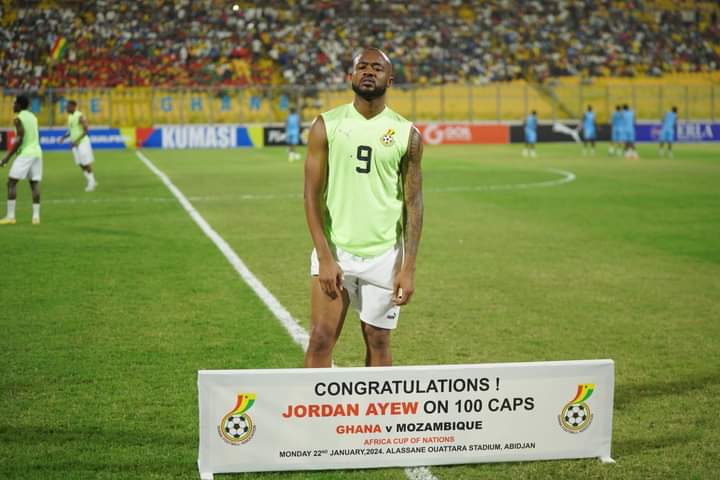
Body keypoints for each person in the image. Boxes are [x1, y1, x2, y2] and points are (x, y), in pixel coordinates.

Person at [303, 48, 423, 368]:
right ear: (351, 76)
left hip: (386, 255)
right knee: (321, 338)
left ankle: (376, 406)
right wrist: (324, 256)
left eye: (377, 68)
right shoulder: (326, 125)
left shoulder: (407, 134)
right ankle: (312, 405)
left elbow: (413, 202)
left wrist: (408, 267)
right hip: (336, 249)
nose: (369, 72)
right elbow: (311, 196)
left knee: (378, 340)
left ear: (390, 79)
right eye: (362, 67)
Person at [0, 95, 42, 225]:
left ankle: (10, 217)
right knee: (34, 184)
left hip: (26, 153)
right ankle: (36, 217)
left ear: (19, 105)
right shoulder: (33, 117)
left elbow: (19, 139)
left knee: (11, 183)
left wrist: (6, 157)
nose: (13, 105)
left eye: (14, 103)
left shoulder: (18, 118)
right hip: (37, 152)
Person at [61, 100, 97, 191]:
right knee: (80, 163)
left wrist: (77, 141)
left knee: (86, 163)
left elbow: (86, 130)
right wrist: (64, 137)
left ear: (73, 106)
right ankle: (91, 180)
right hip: (75, 144)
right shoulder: (70, 117)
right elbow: (71, 130)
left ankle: (91, 183)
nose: (66, 108)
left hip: (82, 143)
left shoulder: (80, 116)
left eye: (68, 107)